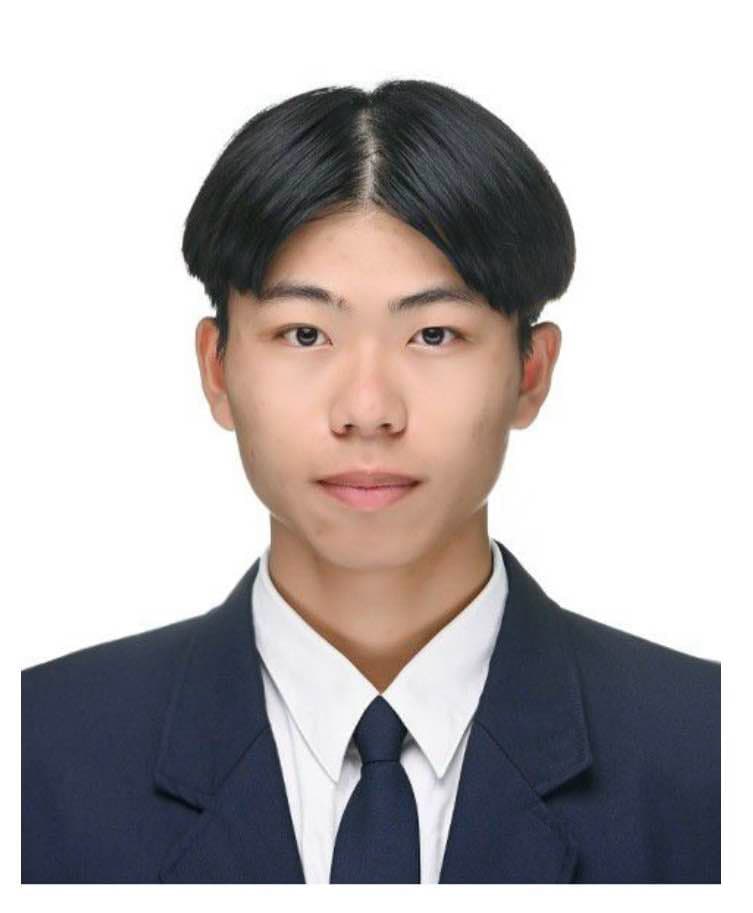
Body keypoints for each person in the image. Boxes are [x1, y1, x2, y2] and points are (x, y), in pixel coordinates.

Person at [21, 79, 720, 884]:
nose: (367, 410)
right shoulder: (37, 751)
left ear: (530, 372)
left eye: (434, 334)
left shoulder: (711, 751)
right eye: (304, 333)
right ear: (217, 369)